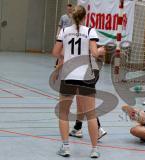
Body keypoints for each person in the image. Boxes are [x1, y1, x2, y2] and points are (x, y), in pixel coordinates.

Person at [52, 5, 105, 158]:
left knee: (63, 113)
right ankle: (94, 149)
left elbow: (55, 52)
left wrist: (65, 56)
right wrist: (100, 51)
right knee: (91, 114)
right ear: (84, 17)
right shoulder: (90, 31)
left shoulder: (64, 31)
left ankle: (66, 147)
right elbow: (95, 53)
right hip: (86, 77)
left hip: (68, 77)